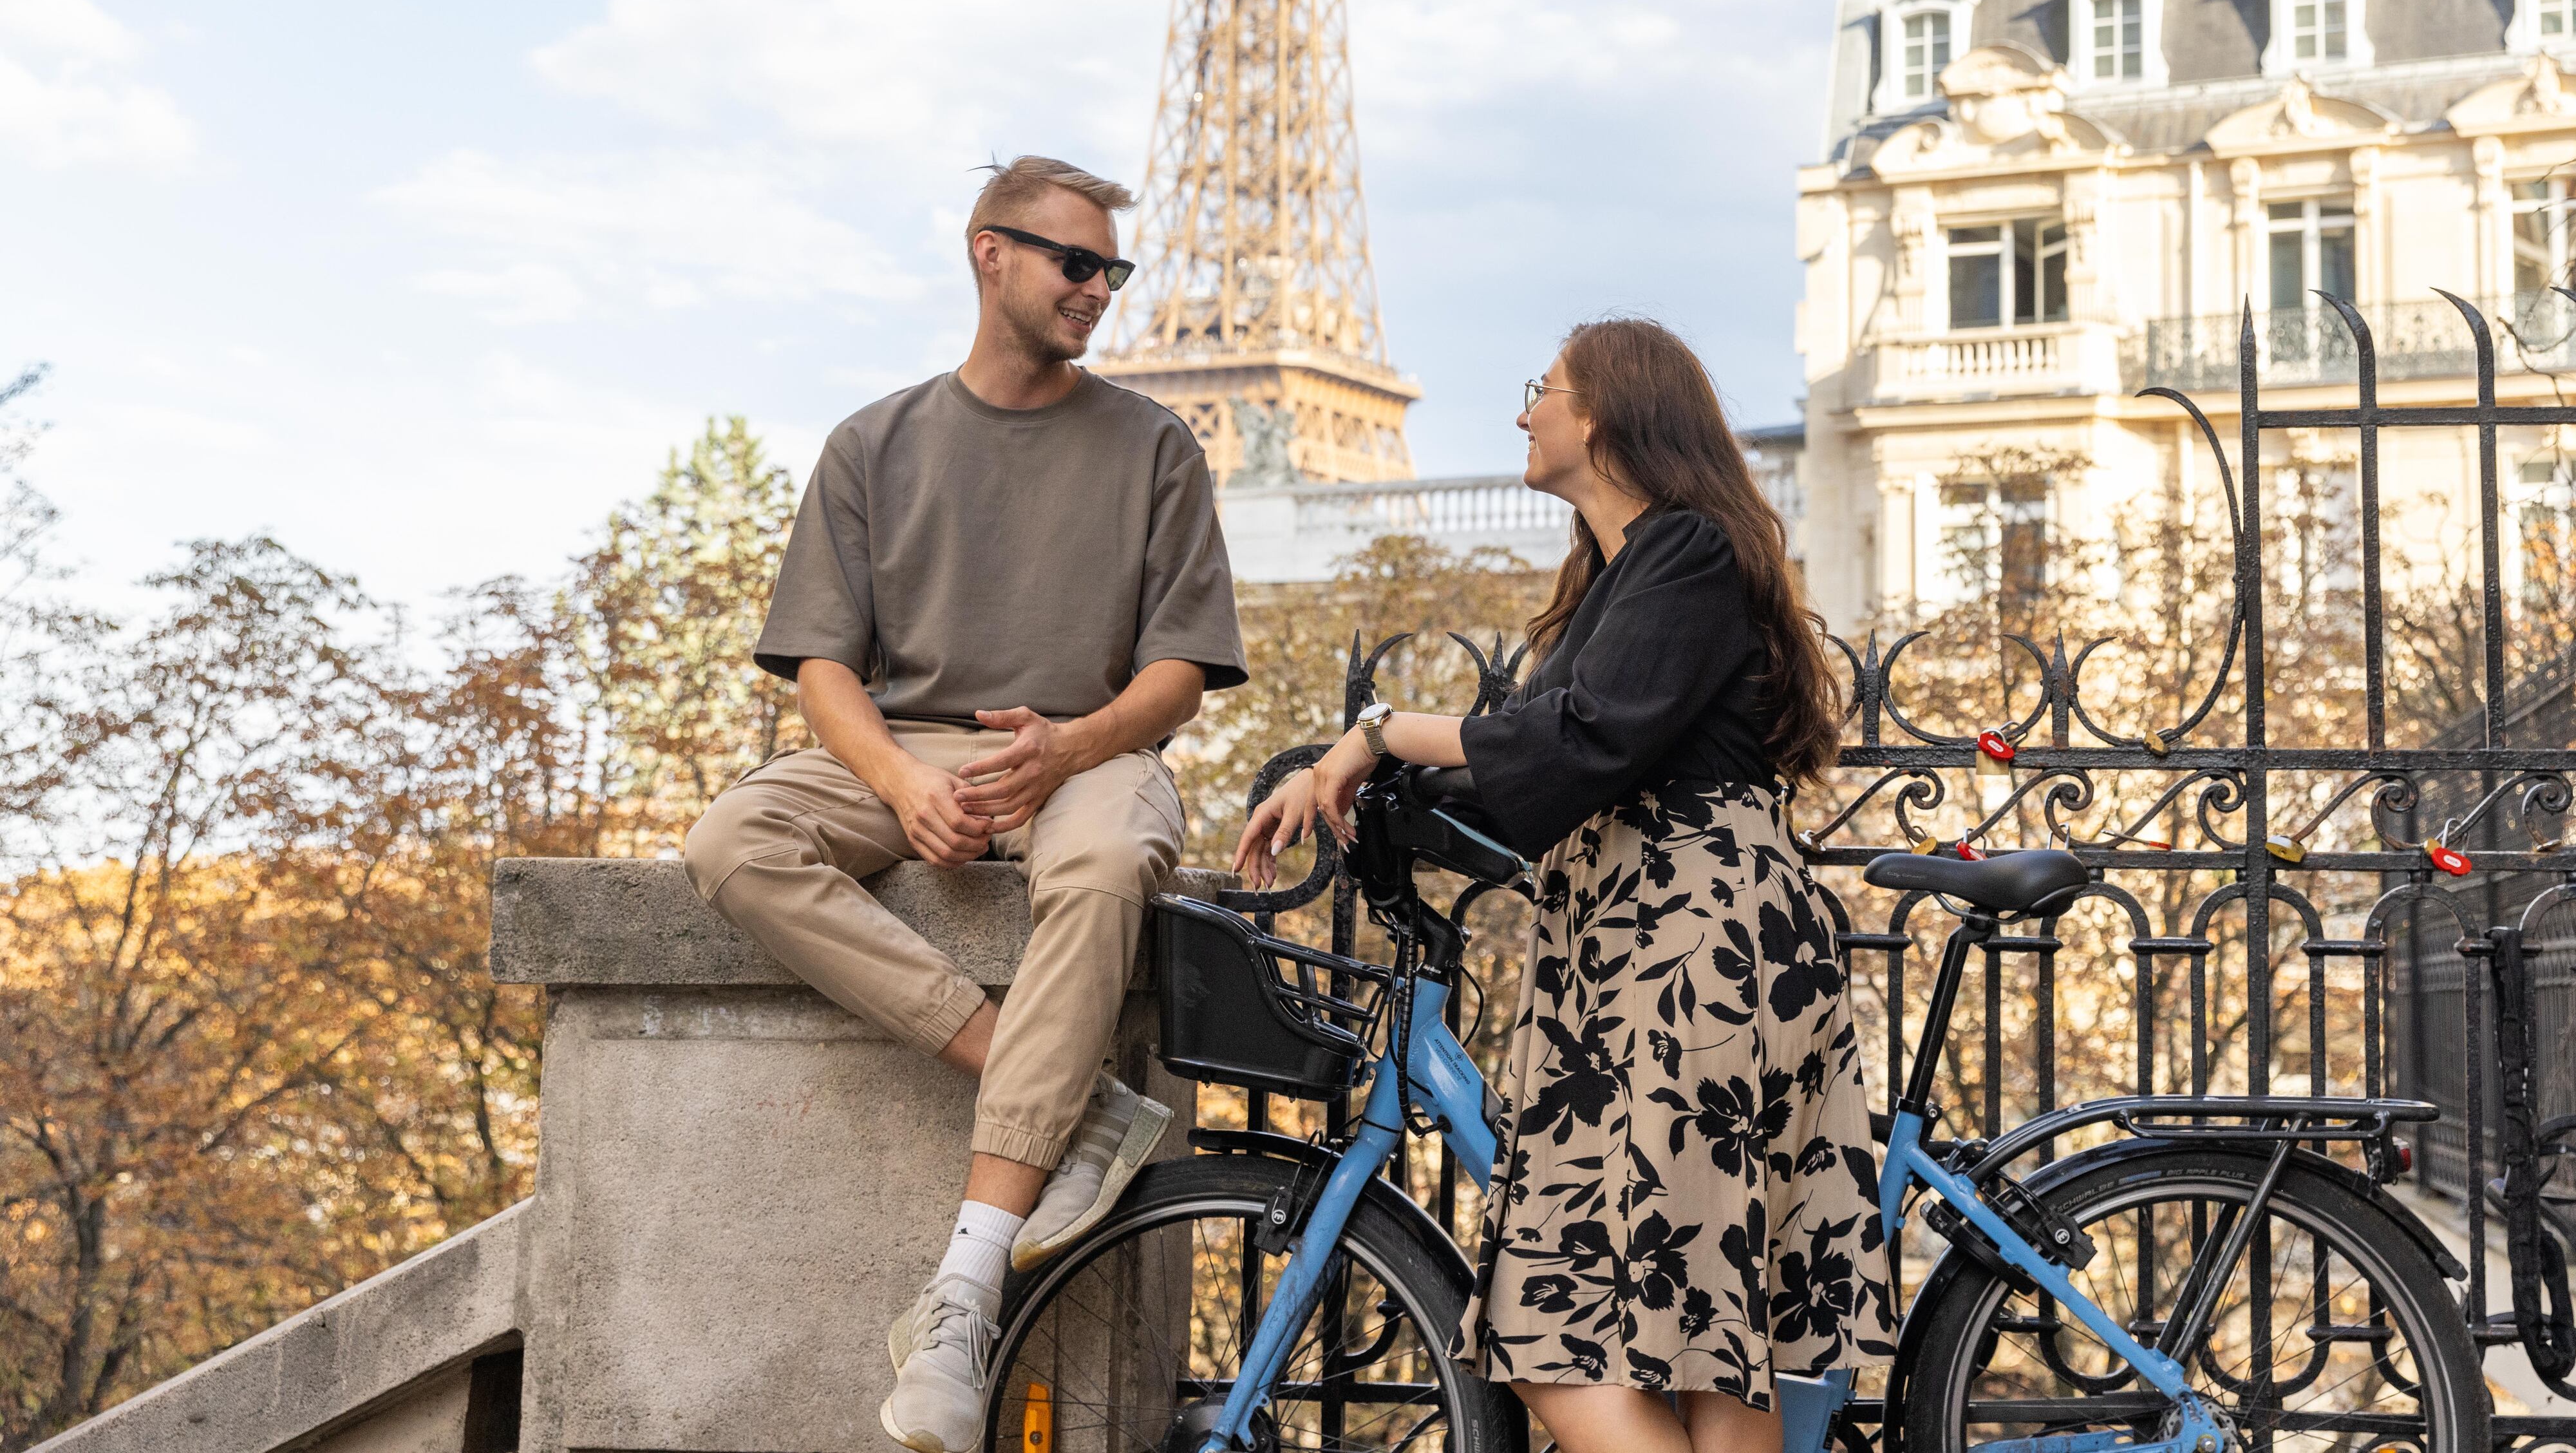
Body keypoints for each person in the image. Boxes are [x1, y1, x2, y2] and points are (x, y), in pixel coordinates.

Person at [1235, 316, 1892, 1453]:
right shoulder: (1628, 575)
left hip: (1696, 953)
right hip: (1658, 950)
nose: (1524, 410)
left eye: (1543, 388)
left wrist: (1379, 730)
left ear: (1604, 415)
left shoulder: (1685, 551)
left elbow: (1578, 740)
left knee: (1582, 1338)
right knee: (1700, 1335)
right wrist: (1342, 779)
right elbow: (1540, 769)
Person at [682, 157, 1246, 1453]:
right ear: (988, 255)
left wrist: (1074, 747)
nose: (1098, 290)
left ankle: (964, 1291)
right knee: (734, 838)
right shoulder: (873, 444)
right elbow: (824, 665)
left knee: (1106, 862)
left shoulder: (1157, 447)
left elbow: (1177, 679)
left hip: (1087, 744)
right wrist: (897, 780)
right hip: (916, 740)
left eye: (1115, 270)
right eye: (1074, 263)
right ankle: (1062, 1093)